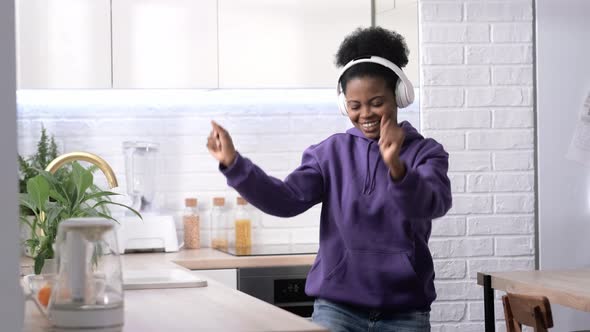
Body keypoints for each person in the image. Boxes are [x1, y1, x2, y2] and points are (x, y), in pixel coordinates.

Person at [207, 26, 452, 332]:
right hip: (338, 309)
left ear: (399, 97)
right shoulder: (329, 154)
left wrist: (397, 168)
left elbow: (432, 204)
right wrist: (234, 164)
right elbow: (285, 200)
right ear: (344, 105)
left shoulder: (426, 153)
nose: (366, 113)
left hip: (405, 312)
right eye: (355, 105)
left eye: (377, 102)